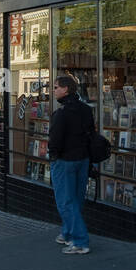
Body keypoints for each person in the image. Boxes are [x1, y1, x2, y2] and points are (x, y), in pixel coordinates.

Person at [47, 75, 93, 255]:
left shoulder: (61, 113)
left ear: (65, 89)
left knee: (65, 202)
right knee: (76, 199)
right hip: (83, 159)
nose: (53, 90)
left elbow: (55, 140)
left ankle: (80, 241)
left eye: (56, 87)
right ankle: (67, 233)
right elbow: (91, 133)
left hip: (65, 161)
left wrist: (53, 155)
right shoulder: (86, 110)